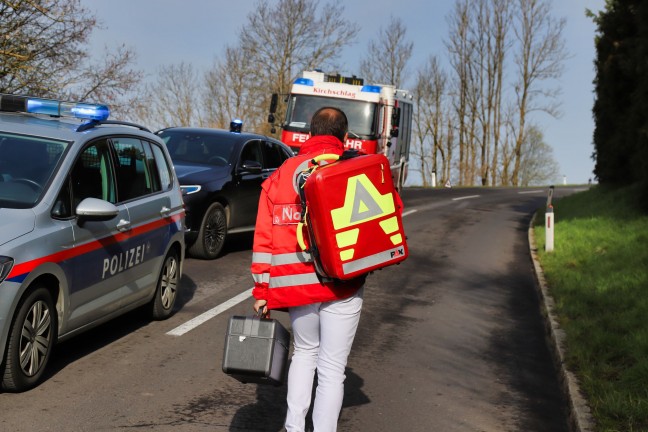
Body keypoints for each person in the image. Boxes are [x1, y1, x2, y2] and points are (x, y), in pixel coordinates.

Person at [251, 107, 366, 432]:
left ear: (310, 134)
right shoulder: (355, 168)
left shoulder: (281, 175)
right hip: (343, 284)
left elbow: (264, 239)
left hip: (298, 286)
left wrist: (262, 292)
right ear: (344, 137)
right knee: (332, 368)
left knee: (304, 353)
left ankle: (293, 427)